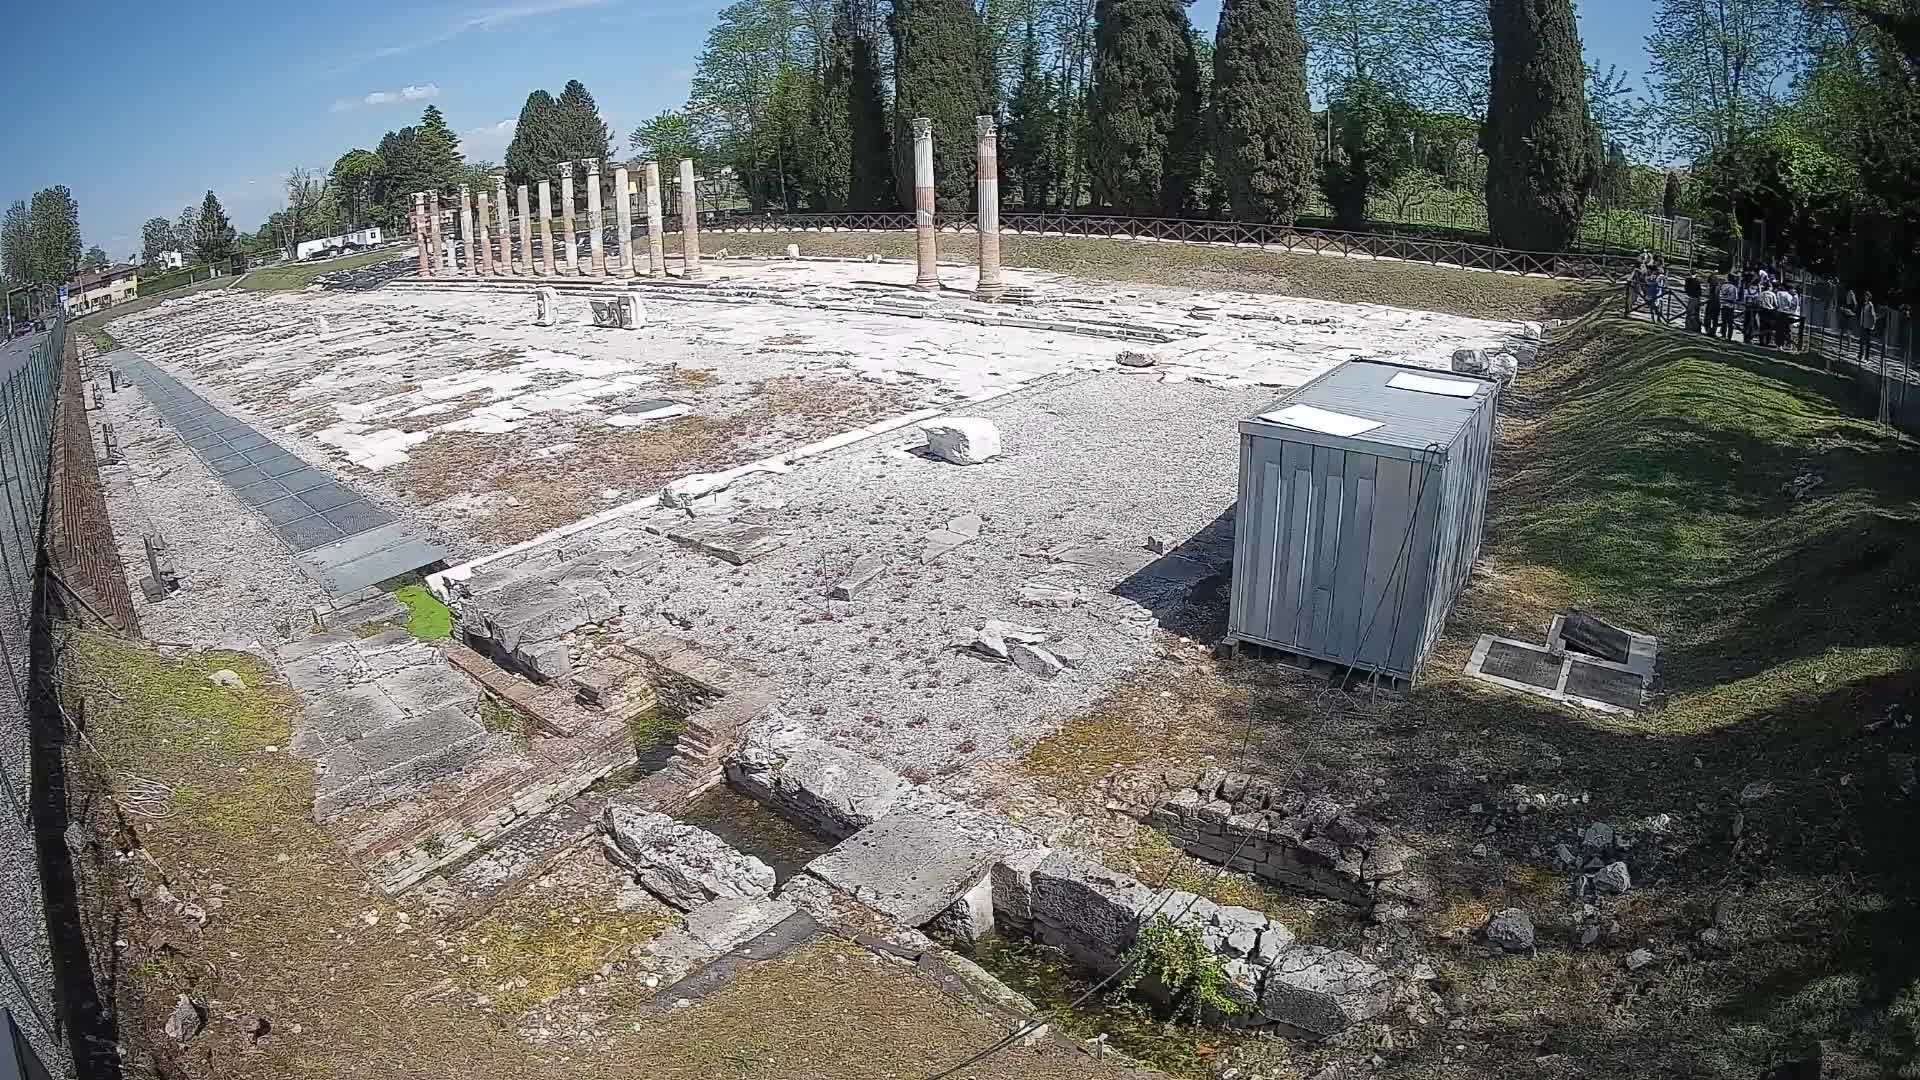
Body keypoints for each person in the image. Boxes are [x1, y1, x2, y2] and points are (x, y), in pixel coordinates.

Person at [1719, 275, 1740, 340]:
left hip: (1723, 305)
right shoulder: (1734, 288)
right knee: (1730, 322)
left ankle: (1723, 335)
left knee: (1723, 321)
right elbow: (1735, 298)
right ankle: (1729, 337)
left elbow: (1720, 295)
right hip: (1730, 306)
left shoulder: (1723, 286)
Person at [1860, 291, 1879, 363]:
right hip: (1863, 324)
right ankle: (1860, 355)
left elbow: (1873, 316)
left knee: (1867, 342)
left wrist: (1872, 325)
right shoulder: (1864, 304)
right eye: (1865, 296)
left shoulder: (1870, 305)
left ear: (1869, 297)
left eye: (1867, 296)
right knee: (1862, 341)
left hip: (1867, 326)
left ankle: (1866, 358)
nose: (1865, 297)